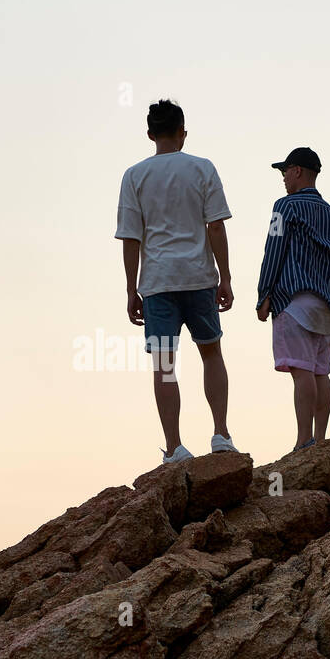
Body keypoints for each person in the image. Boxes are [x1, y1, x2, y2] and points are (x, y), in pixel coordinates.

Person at [116, 99, 236, 463]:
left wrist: (130, 289)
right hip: (199, 277)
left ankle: (174, 446)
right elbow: (215, 225)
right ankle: (221, 433)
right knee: (211, 352)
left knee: (165, 365)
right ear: (183, 132)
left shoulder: (134, 176)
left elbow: (130, 237)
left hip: (157, 282)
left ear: (150, 134)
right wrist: (225, 277)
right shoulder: (202, 168)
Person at [255, 147, 330, 453]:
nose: (282, 177)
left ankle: (303, 440)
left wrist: (263, 294)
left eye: (285, 171)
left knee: (301, 370)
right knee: (321, 371)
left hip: (292, 300)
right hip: (325, 304)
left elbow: (274, 250)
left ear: (297, 171)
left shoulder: (283, 207)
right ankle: (320, 439)